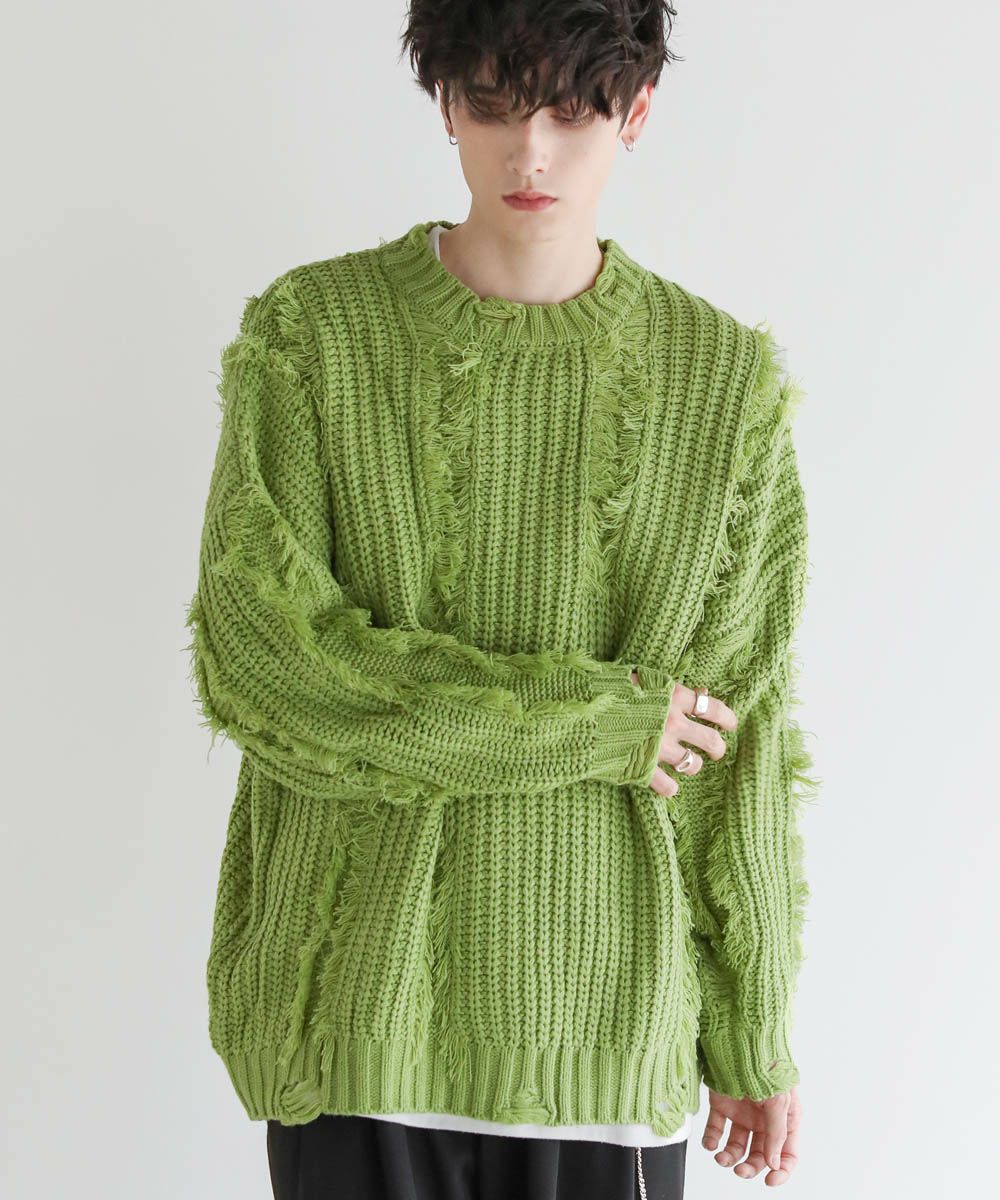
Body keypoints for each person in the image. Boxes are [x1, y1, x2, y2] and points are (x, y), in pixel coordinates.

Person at [186, 2, 820, 1196]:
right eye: (492, 104)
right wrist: (602, 725)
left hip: (605, 1037)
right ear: (445, 103)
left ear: (636, 111)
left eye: (572, 111)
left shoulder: (721, 384)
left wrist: (753, 1025)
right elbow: (267, 672)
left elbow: (737, 739)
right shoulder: (312, 336)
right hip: (356, 1024)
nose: (529, 152)